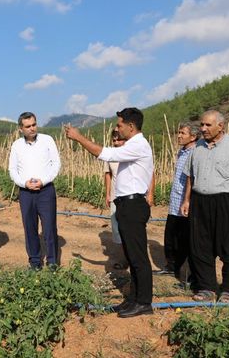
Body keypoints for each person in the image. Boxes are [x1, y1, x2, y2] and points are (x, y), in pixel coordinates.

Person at [65, 107, 154, 318]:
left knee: (138, 257)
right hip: (125, 205)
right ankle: (133, 298)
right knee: (132, 256)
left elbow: (104, 153)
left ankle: (144, 302)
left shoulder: (138, 145)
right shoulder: (133, 145)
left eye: (119, 124)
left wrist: (79, 137)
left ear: (131, 127)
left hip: (133, 206)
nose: (117, 128)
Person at [180, 110, 229, 303]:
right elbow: (190, 176)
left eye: (208, 125)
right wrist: (187, 200)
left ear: (220, 126)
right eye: (202, 125)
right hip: (200, 202)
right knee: (200, 245)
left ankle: (228, 289)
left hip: (228, 202)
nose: (203, 129)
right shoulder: (197, 147)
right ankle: (207, 287)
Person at [8, 112, 61, 269]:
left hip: (46, 191)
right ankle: (35, 262)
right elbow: (12, 169)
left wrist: (43, 181)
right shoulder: (17, 145)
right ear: (21, 129)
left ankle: (52, 262)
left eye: (34, 124)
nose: (32, 128)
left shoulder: (47, 140)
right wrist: (24, 183)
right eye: (28, 126)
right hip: (26, 192)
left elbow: (56, 164)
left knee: (49, 227)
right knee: (30, 228)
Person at [158, 122, 199, 283]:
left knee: (185, 239)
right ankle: (171, 267)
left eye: (183, 133)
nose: (179, 135)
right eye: (178, 132)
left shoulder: (196, 153)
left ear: (193, 136)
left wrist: (187, 200)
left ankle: (188, 273)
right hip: (175, 202)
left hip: (186, 203)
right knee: (170, 237)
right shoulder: (181, 152)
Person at [104, 130, 128, 270]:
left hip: (129, 198)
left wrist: (149, 195)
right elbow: (108, 175)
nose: (117, 143)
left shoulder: (131, 153)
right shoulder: (110, 155)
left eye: (119, 140)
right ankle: (124, 258)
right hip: (115, 196)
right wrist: (107, 194)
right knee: (117, 229)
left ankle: (132, 259)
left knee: (129, 229)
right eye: (114, 140)